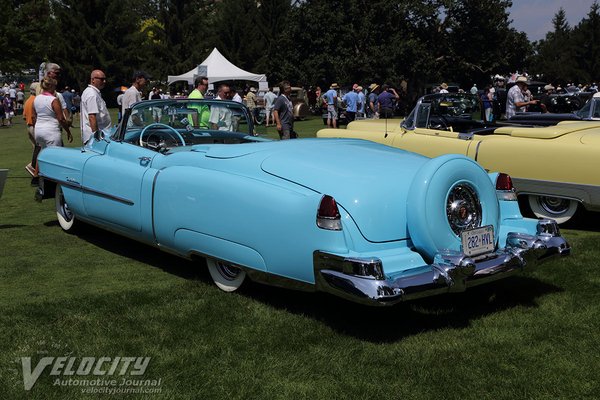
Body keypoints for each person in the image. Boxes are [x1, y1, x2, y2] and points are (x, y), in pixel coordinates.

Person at [32, 77, 72, 149]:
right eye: (54, 86)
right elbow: (61, 119)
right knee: (55, 156)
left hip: (38, 131)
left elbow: (33, 117)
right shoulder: (54, 100)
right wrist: (68, 131)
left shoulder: (36, 99)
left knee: (43, 154)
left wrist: (37, 128)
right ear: (50, 86)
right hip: (51, 131)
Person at [80, 70, 112, 145]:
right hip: (94, 138)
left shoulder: (93, 92)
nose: (104, 81)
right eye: (101, 79)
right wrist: (96, 137)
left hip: (100, 135)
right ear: (93, 80)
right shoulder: (92, 94)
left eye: (104, 79)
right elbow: (92, 117)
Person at [23, 83, 39, 178]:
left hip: (29, 126)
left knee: (35, 149)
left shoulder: (27, 101)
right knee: (39, 148)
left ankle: (36, 169)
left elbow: (24, 116)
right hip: (35, 126)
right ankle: (32, 166)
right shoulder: (36, 100)